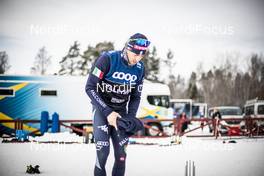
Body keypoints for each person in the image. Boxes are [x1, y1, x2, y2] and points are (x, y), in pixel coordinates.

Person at [85, 33, 150, 176]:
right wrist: (108, 112)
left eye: (142, 55)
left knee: (121, 156)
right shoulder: (107, 59)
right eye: (135, 53)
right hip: (102, 109)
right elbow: (89, 87)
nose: (137, 58)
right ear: (127, 48)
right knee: (103, 153)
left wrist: (130, 118)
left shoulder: (139, 68)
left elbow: (135, 96)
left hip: (121, 112)